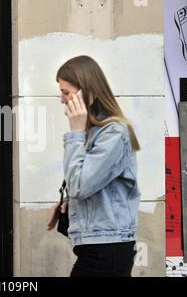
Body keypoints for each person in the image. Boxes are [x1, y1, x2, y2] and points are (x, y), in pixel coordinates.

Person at [47, 55, 141, 277]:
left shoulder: (114, 133)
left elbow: (80, 185)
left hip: (107, 250)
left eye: (66, 92)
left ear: (85, 92)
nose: (62, 99)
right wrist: (70, 203)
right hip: (100, 248)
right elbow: (93, 183)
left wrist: (76, 133)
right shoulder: (98, 132)